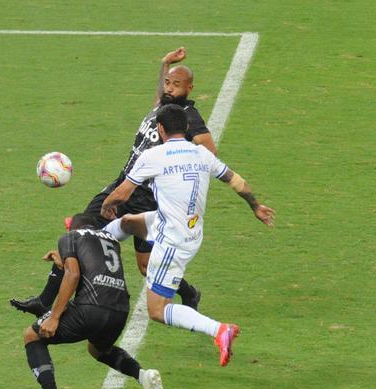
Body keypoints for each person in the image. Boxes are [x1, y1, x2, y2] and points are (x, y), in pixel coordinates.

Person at [11, 47, 213, 317]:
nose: (169, 87)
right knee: (80, 230)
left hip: (147, 200)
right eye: (167, 82)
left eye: (176, 84)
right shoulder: (163, 107)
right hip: (122, 185)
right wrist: (164, 64)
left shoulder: (188, 117)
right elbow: (159, 94)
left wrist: (175, 165)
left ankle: (188, 292)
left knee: (145, 266)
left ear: (189, 88)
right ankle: (45, 300)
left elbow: (208, 151)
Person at [100, 104, 274, 367]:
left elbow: (122, 194)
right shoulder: (202, 154)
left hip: (172, 241)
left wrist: (106, 204)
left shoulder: (153, 156)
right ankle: (90, 242)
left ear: (160, 129)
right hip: (185, 229)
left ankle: (219, 330)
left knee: (157, 310)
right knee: (128, 223)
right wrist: (256, 206)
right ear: (187, 127)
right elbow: (237, 182)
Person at [20, 214, 167, 389]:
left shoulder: (70, 237)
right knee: (98, 349)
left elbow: (73, 274)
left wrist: (54, 317)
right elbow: (93, 264)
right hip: (120, 310)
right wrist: (64, 259)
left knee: (32, 335)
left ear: (72, 227)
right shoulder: (111, 240)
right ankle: (143, 376)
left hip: (90, 309)